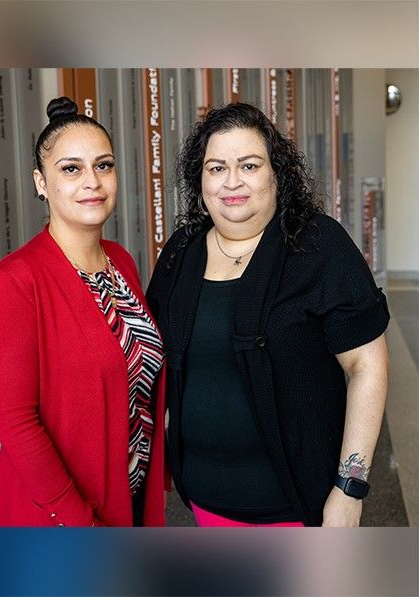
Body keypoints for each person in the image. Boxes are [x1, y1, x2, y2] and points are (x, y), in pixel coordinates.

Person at [146, 102, 389, 527]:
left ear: (277, 173)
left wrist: (350, 488)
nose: (232, 181)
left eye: (250, 165)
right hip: (203, 499)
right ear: (199, 179)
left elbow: (366, 364)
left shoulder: (319, 247)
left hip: (296, 506)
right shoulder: (180, 254)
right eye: (216, 167)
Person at [0, 97, 166, 527]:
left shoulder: (121, 261)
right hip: (60, 516)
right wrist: (76, 519)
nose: (92, 182)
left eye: (104, 165)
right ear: (41, 183)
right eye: (71, 168)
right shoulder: (16, 280)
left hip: (129, 494)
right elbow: (13, 420)